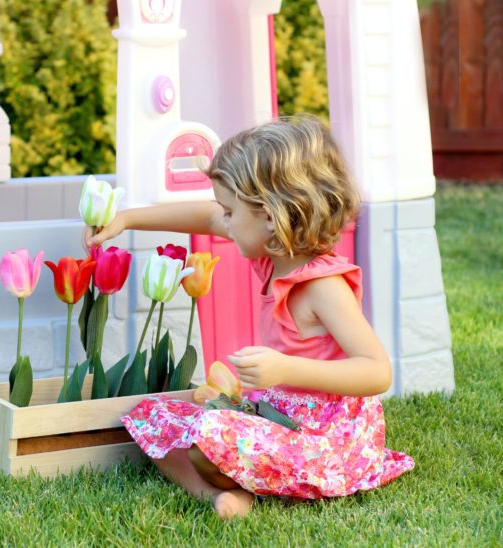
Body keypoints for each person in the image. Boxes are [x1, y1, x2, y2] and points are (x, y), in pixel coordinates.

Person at [84, 116, 415, 520]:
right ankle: (221, 496)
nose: (221, 220)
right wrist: (128, 219)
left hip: (324, 442)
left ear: (271, 216)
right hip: (274, 418)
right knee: (152, 416)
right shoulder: (270, 255)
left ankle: (242, 481)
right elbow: (205, 217)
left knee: (207, 437)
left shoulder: (323, 286)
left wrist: (284, 368)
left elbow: (377, 372)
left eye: (229, 211)